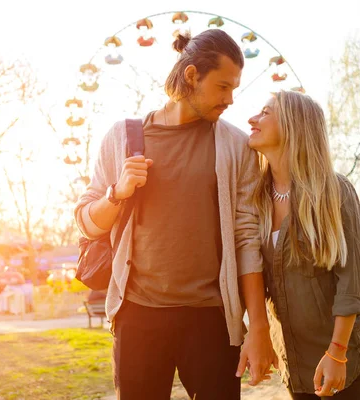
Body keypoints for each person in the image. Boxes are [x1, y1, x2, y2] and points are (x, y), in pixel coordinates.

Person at [74, 29, 275, 400]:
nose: (231, 100)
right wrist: (117, 194)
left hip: (212, 319)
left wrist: (258, 327)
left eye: (234, 88)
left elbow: (247, 238)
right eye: (222, 87)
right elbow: (86, 221)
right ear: (192, 76)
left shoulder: (235, 146)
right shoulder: (122, 137)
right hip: (138, 315)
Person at [247, 90, 360, 399]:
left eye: (265, 112)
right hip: (294, 366)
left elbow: (351, 282)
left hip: (338, 364)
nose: (252, 119)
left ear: (293, 125)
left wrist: (337, 353)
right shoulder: (256, 199)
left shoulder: (334, 191)